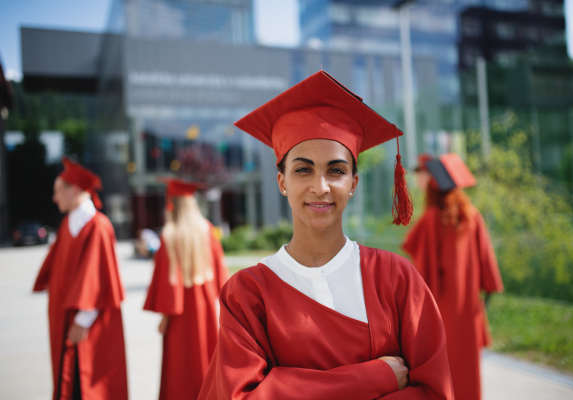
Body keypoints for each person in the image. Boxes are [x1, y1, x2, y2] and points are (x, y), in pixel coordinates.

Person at [197, 70, 454, 400]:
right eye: (303, 170)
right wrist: (374, 377)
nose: (320, 187)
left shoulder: (395, 278)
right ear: (282, 183)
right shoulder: (247, 294)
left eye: (336, 170)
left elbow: (435, 392)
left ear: (353, 185)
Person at [402, 153, 504, 400]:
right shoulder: (472, 216)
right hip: (468, 311)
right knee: (467, 370)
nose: (418, 180)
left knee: (443, 373)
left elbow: (419, 275)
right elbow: (488, 270)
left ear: (433, 182)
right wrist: (482, 305)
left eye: (422, 175)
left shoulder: (431, 220)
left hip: (440, 313)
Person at [33, 157, 128, 400]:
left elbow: (98, 276)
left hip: (87, 322)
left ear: (74, 190)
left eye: (58, 192)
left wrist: (84, 317)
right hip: (66, 317)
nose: (55, 198)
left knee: (88, 383)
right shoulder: (68, 224)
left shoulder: (98, 225)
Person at [143, 177, 229, 400]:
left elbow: (168, 288)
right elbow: (222, 277)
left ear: (171, 203)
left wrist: (164, 318)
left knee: (181, 373)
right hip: (208, 312)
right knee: (207, 363)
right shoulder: (208, 230)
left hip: (181, 319)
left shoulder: (170, 235)